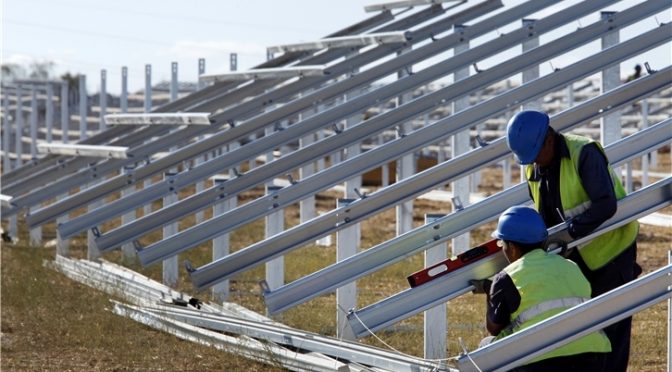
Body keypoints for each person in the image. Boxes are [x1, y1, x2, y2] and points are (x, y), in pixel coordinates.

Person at [505, 110, 641, 372]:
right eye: (529, 160)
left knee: (612, 327)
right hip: (576, 259)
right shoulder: (534, 167)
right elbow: (545, 216)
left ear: (548, 140)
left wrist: (571, 233)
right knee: (583, 330)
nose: (534, 163)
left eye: (536, 156)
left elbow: (606, 203)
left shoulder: (584, 153)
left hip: (611, 252)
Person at [471, 206, 611, 371]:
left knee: (486, 347)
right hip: (594, 355)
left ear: (512, 247)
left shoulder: (507, 276)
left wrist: (491, 292)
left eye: (502, 243)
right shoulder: (571, 266)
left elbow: (494, 328)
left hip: (542, 360)